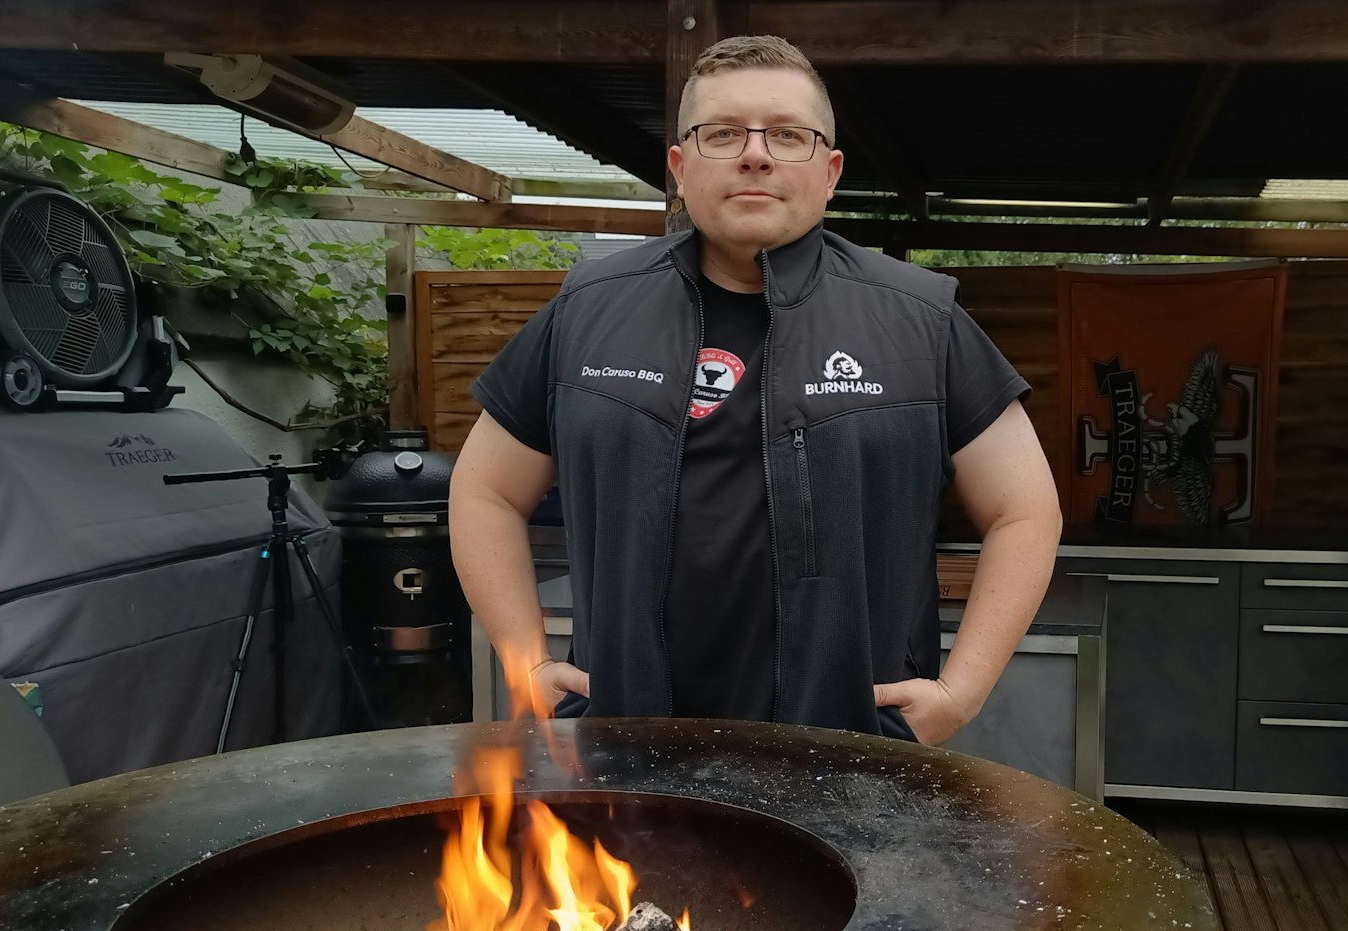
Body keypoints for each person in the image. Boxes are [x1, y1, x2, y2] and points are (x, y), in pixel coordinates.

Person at [450, 35, 1060, 746]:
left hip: (852, 757)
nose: (756, 153)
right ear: (680, 166)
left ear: (830, 170)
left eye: (788, 135)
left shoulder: (921, 318)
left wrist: (961, 690)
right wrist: (525, 660)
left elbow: (1024, 509)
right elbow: (485, 490)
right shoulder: (587, 309)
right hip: (627, 754)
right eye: (724, 133)